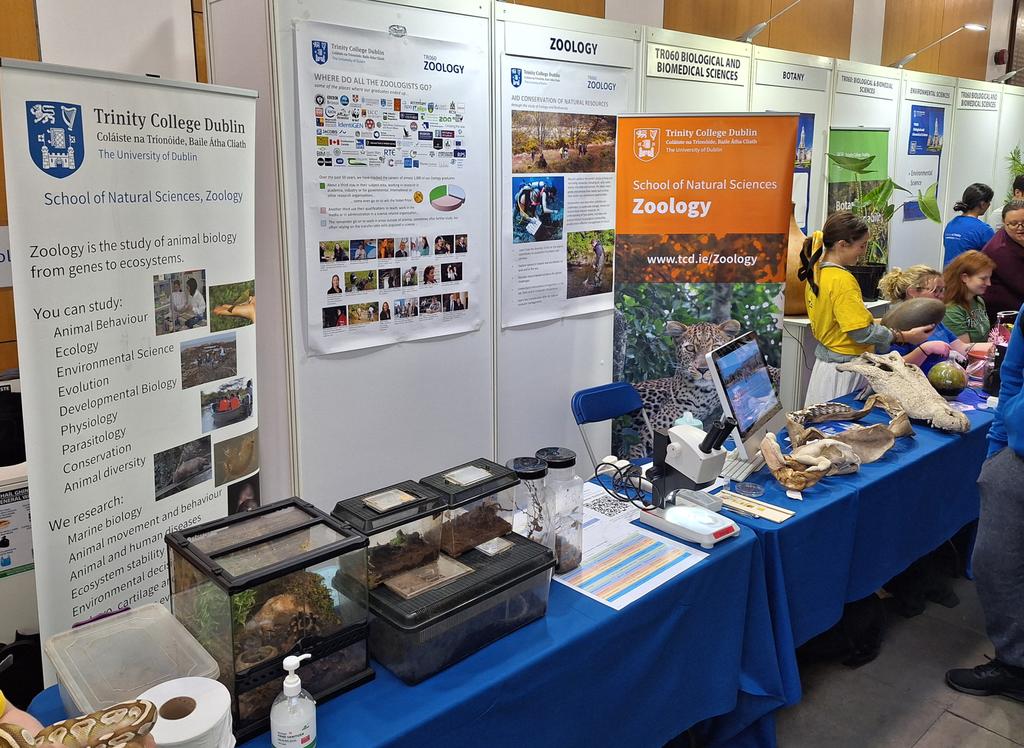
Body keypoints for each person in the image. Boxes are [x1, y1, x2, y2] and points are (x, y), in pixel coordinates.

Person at [946, 301, 1024, 701]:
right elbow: (1013, 373)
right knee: (995, 563)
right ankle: (1014, 664)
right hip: (1016, 458)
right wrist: (996, 449)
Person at [801, 211, 935, 405]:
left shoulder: (817, 273)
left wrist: (890, 324)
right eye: (862, 245)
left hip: (827, 367)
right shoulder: (842, 280)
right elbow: (859, 331)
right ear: (842, 244)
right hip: (845, 370)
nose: (863, 252)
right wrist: (903, 336)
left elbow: (840, 322)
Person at [878, 265, 991, 373]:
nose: (941, 296)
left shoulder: (933, 320)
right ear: (912, 292)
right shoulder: (899, 322)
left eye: (942, 290)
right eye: (935, 291)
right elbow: (892, 367)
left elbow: (961, 348)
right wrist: (925, 350)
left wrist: (998, 347)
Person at [982, 200, 1024, 326]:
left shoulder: (1015, 239)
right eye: (1013, 224)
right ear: (1004, 223)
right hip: (1005, 319)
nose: (1020, 228)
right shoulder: (999, 249)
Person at [943, 250, 996, 343]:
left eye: (989, 278)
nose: (989, 283)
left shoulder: (978, 301)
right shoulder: (951, 310)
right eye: (983, 278)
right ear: (965, 278)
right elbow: (965, 349)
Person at [943, 183, 995, 266]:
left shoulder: (951, 225)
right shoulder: (984, 230)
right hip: (969, 277)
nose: (989, 205)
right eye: (989, 202)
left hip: (948, 276)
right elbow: (994, 259)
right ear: (982, 204)